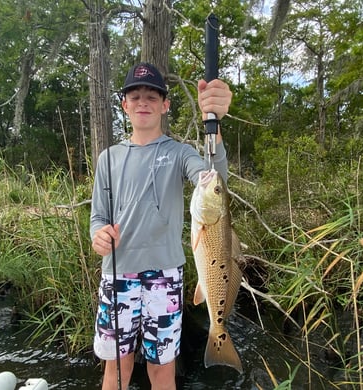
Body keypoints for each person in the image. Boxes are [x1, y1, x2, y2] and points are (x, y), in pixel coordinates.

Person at [90, 62, 232, 390]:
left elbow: (212, 178)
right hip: (117, 275)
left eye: (152, 97)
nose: (143, 102)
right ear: (124, 105)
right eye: (135, 96)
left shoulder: (180, 153)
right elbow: (98, 217)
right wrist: (97, 235)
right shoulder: (107, 158)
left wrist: (215, 124)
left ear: (165, 105)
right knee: (117, 371)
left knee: (162, 371)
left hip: (165, 278)